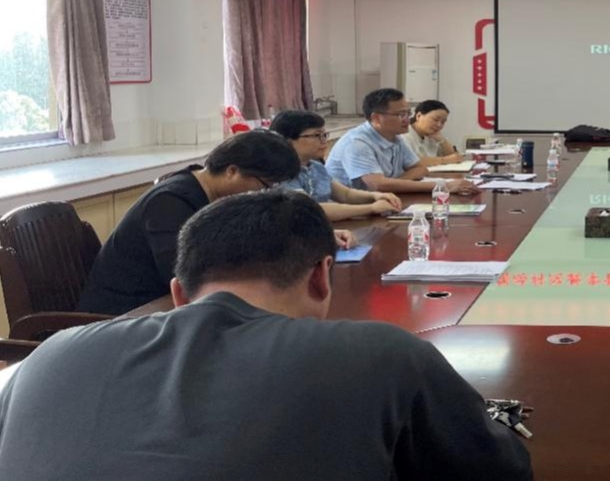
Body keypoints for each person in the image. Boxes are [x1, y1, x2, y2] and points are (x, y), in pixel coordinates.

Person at [0, 192, 533, 479]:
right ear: (322, 276)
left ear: (178, 292)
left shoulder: (52, 354)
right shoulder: (381, 354)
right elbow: (501, 471)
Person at [77, 131, 301, 316]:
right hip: (125, 315)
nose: (266, 194)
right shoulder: (169, 202)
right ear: (232, 171)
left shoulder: (207, 191)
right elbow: (185, 274)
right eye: (266, 186)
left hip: (167, 306)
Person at [326, 88, 478, 196]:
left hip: (382, 201)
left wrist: (394, 183)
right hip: (349, 212)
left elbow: (420, 169)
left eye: (408, 113)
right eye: (401, 114)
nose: (407, 119)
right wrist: (443, 186)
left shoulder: (395, 137)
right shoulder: (357, 143)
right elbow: (378, 185)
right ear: (377, 118)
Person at [269, 110, 404, 221]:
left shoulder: (316, 167)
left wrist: (375, 196)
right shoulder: (281, 174)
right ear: (288, 141)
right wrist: (370, 208)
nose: (324, 141)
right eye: (317, 135)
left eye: (324, 135)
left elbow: (345, 194)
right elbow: (310, 210)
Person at [404, 100, 466, 167]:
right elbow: (410, 161)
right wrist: (444, 160)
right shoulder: (404, 135)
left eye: (443, 122)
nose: (439, 125)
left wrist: (442, 141)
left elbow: (455, 157)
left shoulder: (432, 136)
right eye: (435, 119)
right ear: (418, 116)